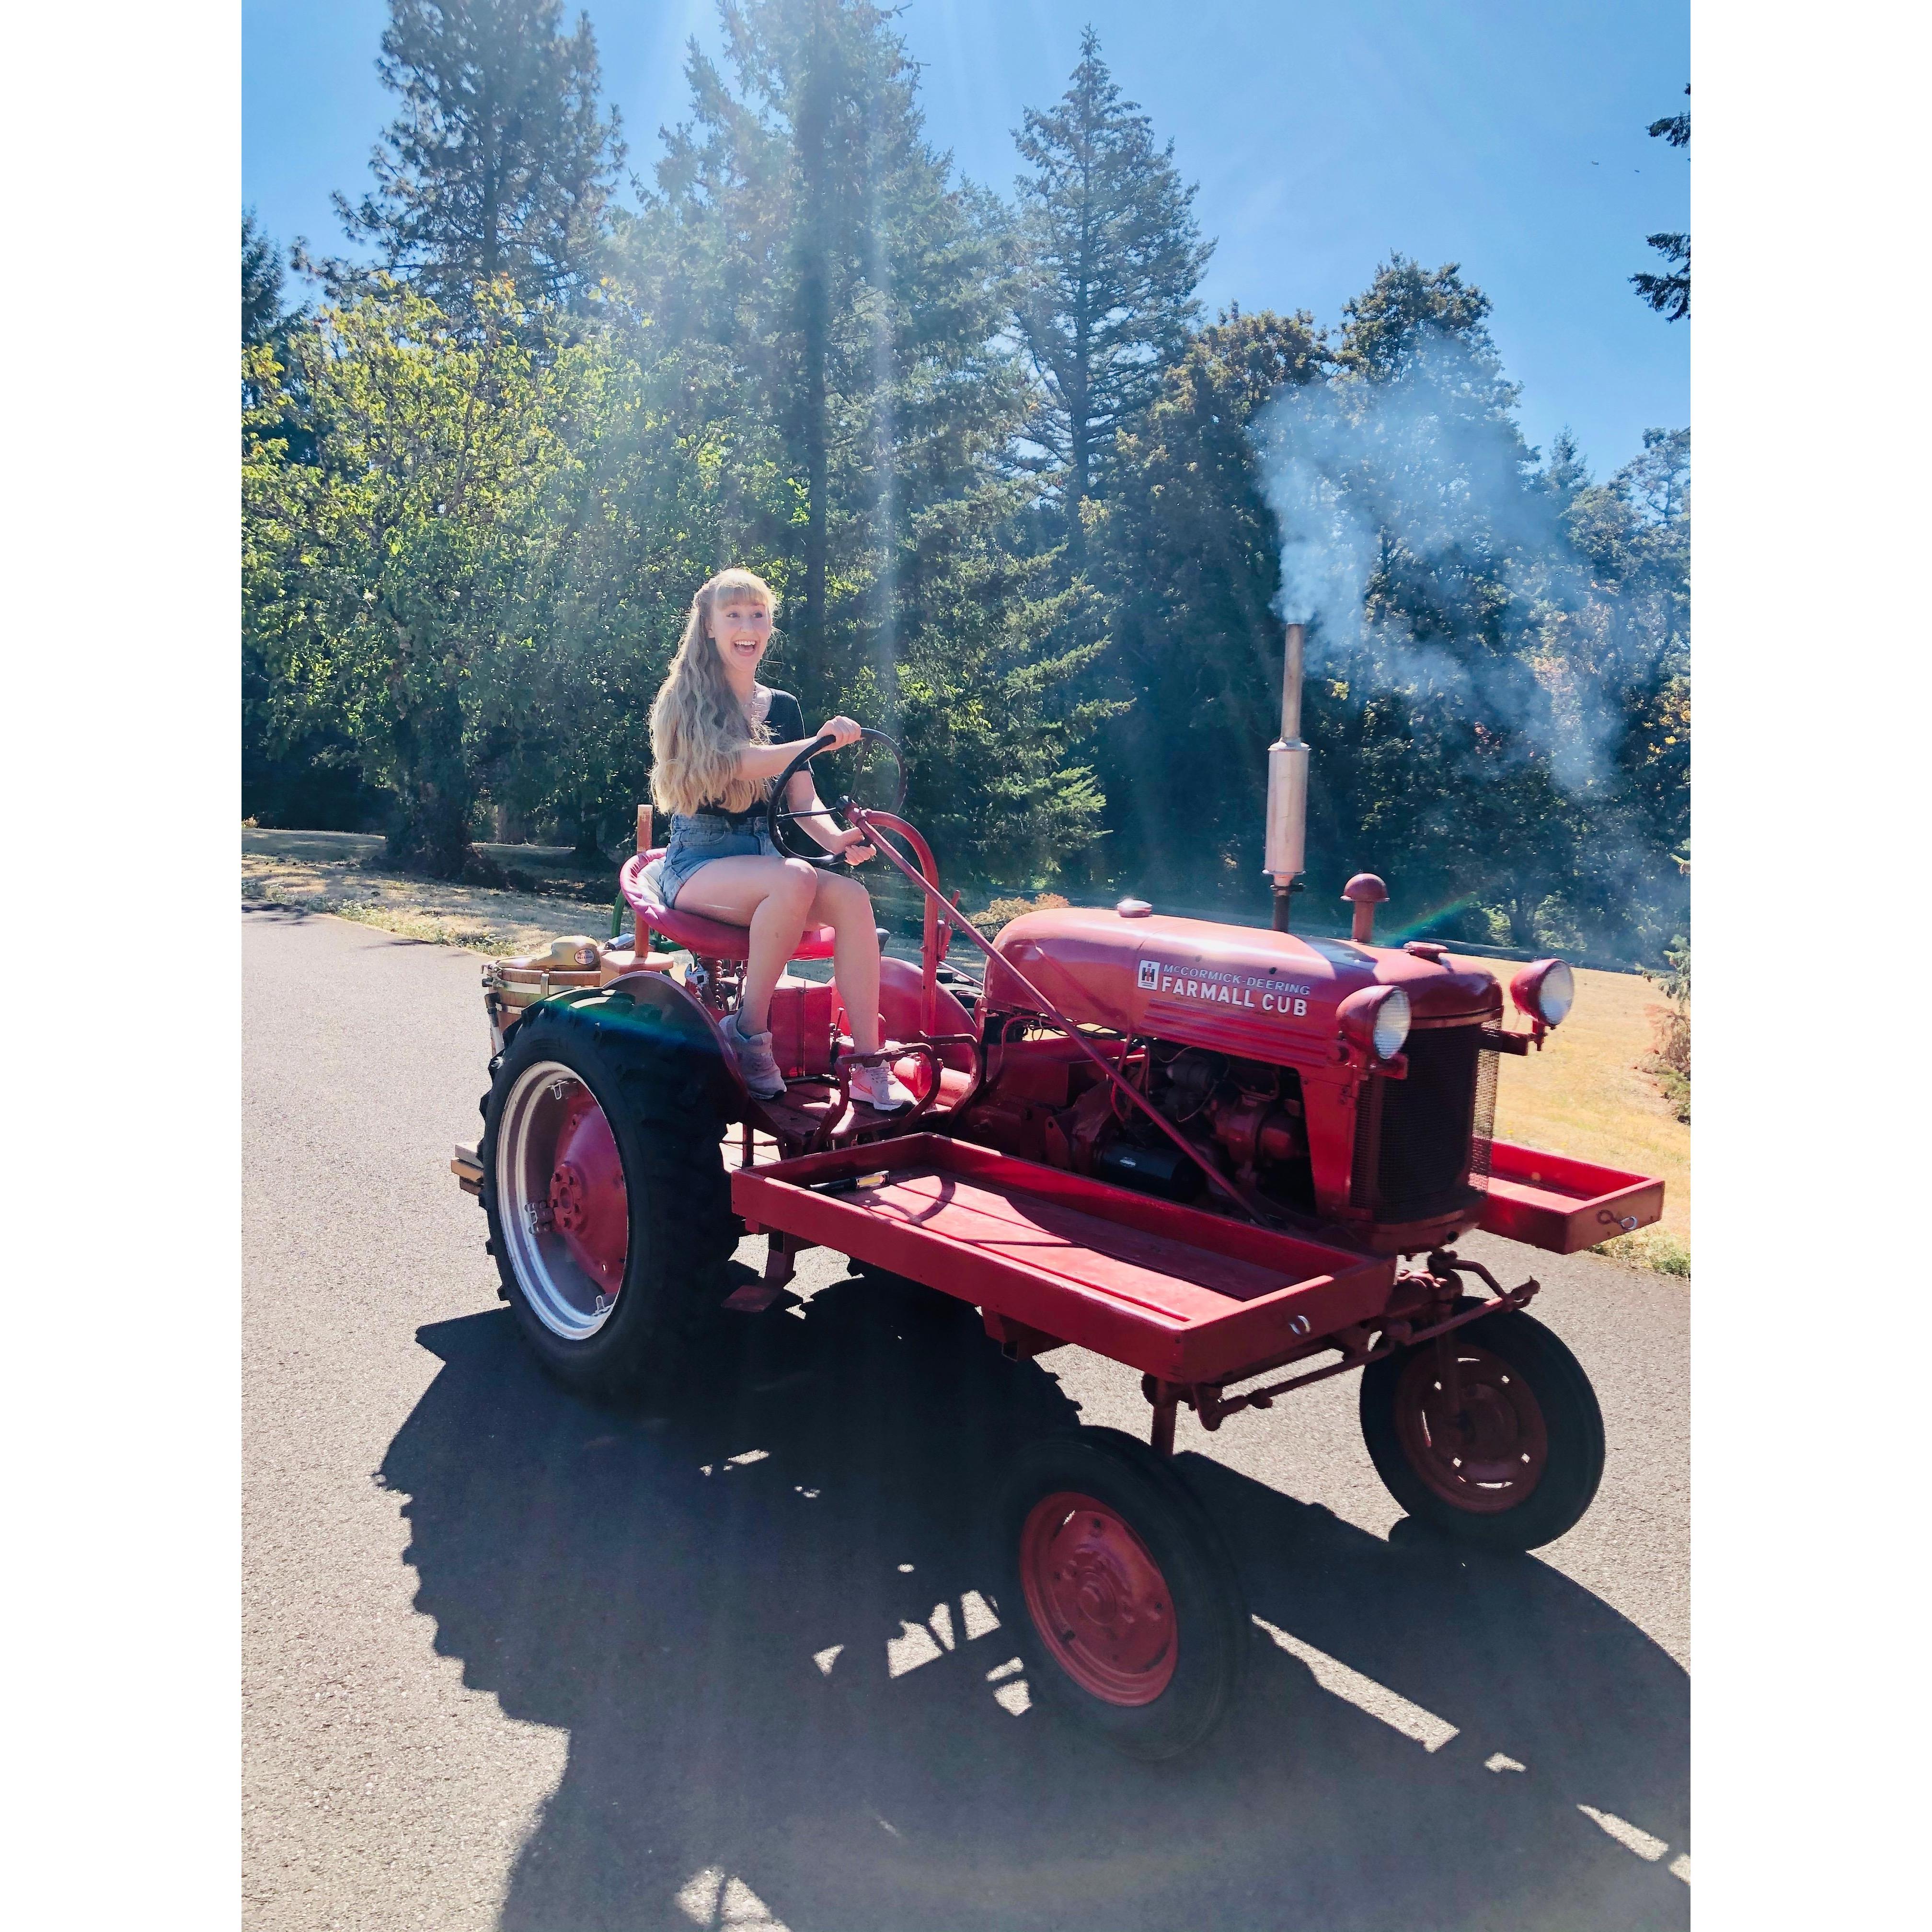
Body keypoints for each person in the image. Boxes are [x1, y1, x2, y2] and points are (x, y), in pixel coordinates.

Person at [645, 568, 915, 1112]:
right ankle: (749, 1030)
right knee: (792, 878)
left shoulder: (784, 706)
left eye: (758, 615)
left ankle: (867, 1064)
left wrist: (838, 840)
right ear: (711, 627)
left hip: (767, 862)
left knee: (853, 899)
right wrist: (816, 742)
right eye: (735, 615)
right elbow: (739, 763)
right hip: (701, 860)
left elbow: (801, 803)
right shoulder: (687, 700)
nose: (749, 627)